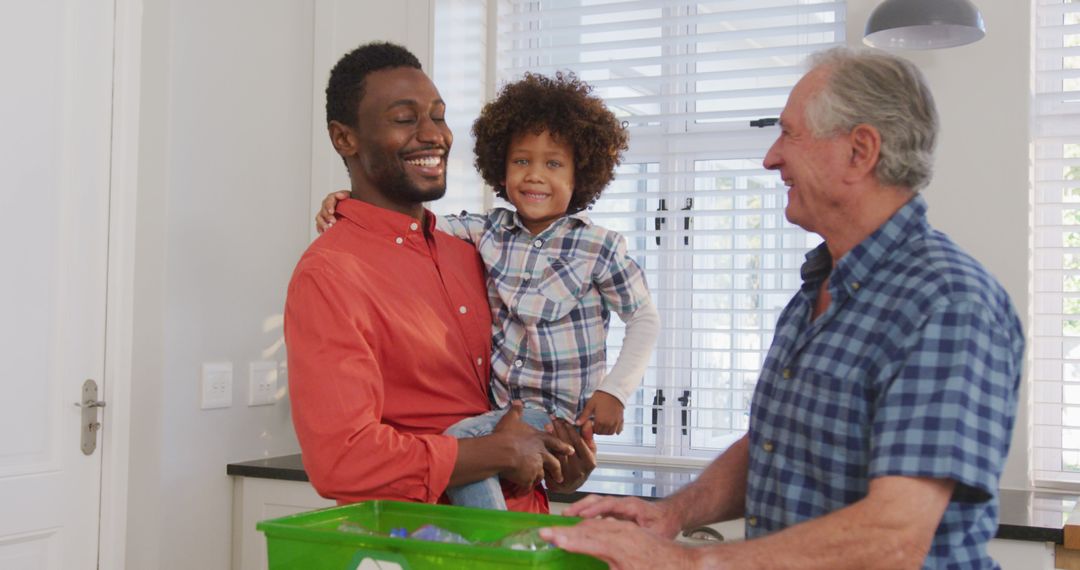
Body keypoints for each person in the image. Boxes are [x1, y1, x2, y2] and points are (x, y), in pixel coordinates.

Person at [540, 47, 1024, 569]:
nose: (771, 157)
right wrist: (673, 513)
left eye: (790, 134)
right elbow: (776, 445)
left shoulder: (947, 304)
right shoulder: (817, 288)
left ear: (860, 151)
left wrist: (686, 563)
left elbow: (894, 536)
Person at [316, 71, 660, 510]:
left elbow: (644, 318)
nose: (534, 176)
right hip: (502, 415)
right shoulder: (487, 232)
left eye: (553, 164)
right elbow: (411, 225)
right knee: (474, 450)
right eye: (521, 162)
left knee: (460, 444)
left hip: (552, 414)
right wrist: (348, 199)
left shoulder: (599, 246)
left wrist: (615, 390)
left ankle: (493, 543)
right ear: (501, 167)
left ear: (582, 173)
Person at [284, 41, 596, 515]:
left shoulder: (473, 252)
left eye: (438, 116)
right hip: (428, 547)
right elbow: (342, 460)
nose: (433, 135)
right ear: (345, 139)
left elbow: (515, 410)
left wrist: (560, 456)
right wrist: (499, 452)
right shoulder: (330, 273)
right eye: (405, 119)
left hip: (526, 537)